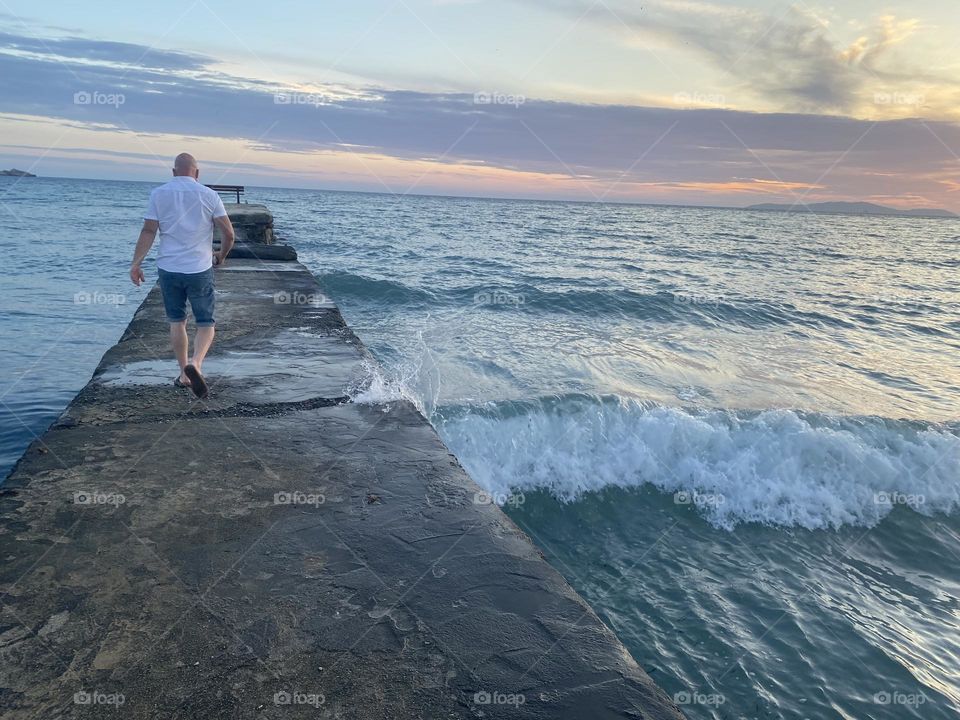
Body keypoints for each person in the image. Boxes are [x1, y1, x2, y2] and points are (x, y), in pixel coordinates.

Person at [128, 153, 235, 398]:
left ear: (174, 172)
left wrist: (136, 263)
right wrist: (221, 255)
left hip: (169, 268)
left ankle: (183, 374)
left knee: (177, 321)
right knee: (206, 322)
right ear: (197, 174)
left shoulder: (159, 193)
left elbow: (148, 231)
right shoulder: (209, 195)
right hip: (199, 268)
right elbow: (228, 233)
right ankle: (196, 363)